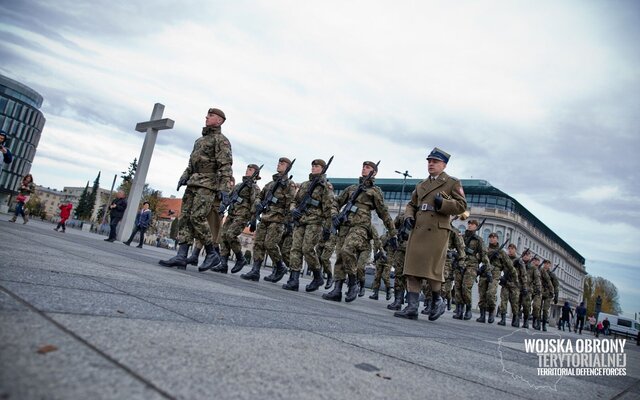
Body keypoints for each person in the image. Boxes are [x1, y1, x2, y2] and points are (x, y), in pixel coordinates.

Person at [395, 147, 467, 321]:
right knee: (411, 269)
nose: (431, 164)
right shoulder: (421, 185)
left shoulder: (451, 182)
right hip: (418, 228)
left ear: (443, 164)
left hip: (436, 231)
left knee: (431, 270)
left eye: (434, 161)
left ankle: (437, 301)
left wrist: (443, 203)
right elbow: (411, 204)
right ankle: (412, 307)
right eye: (429, 161)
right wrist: (409, 217)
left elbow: (462, 206)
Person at [159, 108, 232, 271]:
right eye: (208, 115)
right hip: (193, 182)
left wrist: (224, 189)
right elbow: (191, 163)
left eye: (211, 116)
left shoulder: (221, 140)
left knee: (198, 217)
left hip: (207, 184)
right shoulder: (200, 140)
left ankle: (212, 253)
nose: (207, 117)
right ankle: (181, 256)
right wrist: (184, 176)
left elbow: (225, 166)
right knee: (185, 218)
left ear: (219, 120)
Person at [325, 161, 397, 303]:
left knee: (347, 250)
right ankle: (337, 289)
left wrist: (393, 232)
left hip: (361, 227)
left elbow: (384, 213)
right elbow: (336, 202)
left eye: (368, 168)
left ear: (374, 173)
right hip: (345, 226)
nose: (365, 169)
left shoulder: (375, 192)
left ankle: (352, 283)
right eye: (364, 167)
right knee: (340, 255)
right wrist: (334, 215)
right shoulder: (352, 188)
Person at [282, 159, 334, 292]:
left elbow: (329, 208)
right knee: (295, 249)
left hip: (315, 222)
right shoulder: (305, 185)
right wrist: (294, 210)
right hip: (301, 220)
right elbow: (295, 200)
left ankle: (317, 276)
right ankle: (294, 280)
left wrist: (327, 227)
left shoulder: (326, 187)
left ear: (322, 169)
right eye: (312, 166)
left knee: (307, 249)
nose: (313, 168)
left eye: (316, 166)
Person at [243, 157, 296, 282]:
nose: (279, 165)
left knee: (270, 244)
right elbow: (259, 197)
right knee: (258, 244)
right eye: (279, 163)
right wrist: (258, 204)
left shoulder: (289, 184)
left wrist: (288, 221)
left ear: (288, 167)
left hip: (278, 219)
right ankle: (255, 270)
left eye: (282, 164)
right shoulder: (270, 184)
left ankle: (280, 266)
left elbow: (291, 202)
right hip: (265, 217)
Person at [212, 165, 260, 274]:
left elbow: (255, 204)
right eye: (247, 168)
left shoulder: (254, 188)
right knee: (223, 236)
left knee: (230, 234)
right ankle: (223, 263)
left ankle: (240, 258)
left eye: (250, 170)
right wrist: (223, 205)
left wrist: (253, 219)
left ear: (255, 174)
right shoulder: (239, 185)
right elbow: (229, 197)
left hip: (242, 216)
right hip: (231, 214)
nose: (247, 170)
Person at [453, 219, 488, 320]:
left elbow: (484, 255)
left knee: (466, 287)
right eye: (469, 224)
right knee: (458, 287)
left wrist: (485, 268)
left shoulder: (478, 240)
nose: (470, 226)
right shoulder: (462, 237)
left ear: (476, 227)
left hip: (471, 266)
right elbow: (456, 248)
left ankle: (468, 309)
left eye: (472, 224)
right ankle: (459, 310)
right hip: (460, 264)